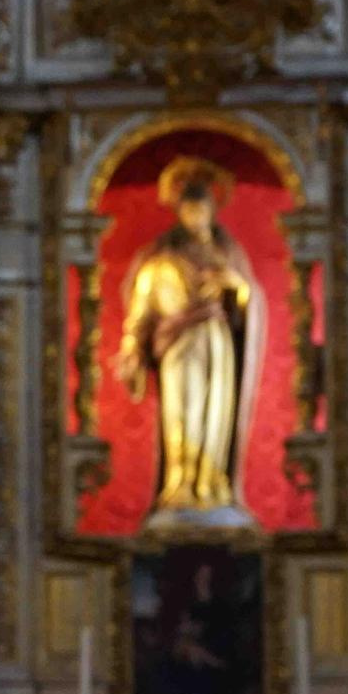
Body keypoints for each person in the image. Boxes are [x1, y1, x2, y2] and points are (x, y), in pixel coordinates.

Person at [113, 155, 267, 528]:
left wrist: (238, 289)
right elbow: (141, 311)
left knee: (217, 414)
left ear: (213, 211)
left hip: (218, 341)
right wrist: (132, 347)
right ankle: (180, 486)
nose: (196, 216)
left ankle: (213, 485)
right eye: (189, 209)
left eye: (202, 209)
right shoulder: (160, 261)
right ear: (179, 212)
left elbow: (250, 301)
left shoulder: (227, 255)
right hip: (179, 347)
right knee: (184, 412)